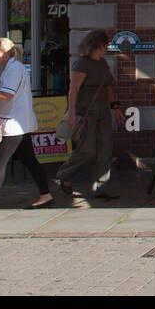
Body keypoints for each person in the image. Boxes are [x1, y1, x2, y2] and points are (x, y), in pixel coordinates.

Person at [0, 38, 54, 215]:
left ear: (4, 53)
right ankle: (46, 195)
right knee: (29, 160)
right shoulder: (11, 68)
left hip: (14, 124)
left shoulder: (14, 69)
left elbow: (7, 95)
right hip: (19, 122)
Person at [55, 30, 126, 200]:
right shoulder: (82, 63)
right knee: (87, 150)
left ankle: (100, 187)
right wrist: (71, 112)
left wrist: (115, 108)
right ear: (96, 45)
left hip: (103, 113)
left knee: (105, 150)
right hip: (86, 113)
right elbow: (73, 89)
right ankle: (64, 174)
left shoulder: (103, 63)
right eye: (104, 45)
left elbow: (108, 87)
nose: (106, 48)